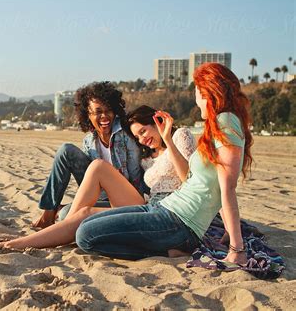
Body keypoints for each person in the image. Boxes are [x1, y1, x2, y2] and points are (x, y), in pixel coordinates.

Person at [75, 63, 253, 265]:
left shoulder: (226, 121)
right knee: (86, 223)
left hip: (180, 222)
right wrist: (229, 231)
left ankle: (170, 252)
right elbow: (212, 183)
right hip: (164, 207)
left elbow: (227, 187)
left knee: (85, 235)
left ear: (207, 93)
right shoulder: (218, 125)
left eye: (196, 92)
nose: (196, 101)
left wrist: (237, 248)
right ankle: (168, 249)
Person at [1, 106, 196, 250]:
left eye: (143, 131)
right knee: (76, 211)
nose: (142, 139)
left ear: (158, 122)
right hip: (146, 202)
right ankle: (51, 229)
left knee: (96, 171)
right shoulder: (146, 156)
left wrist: (168, 139)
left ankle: (25, 242)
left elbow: (189, 178)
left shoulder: (180, 136)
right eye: (137, 137)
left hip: (168, 208)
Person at [32, 82, 147, 229]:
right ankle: (49, 213)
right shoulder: (89, 140)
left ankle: (64, 213)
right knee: (66, 151)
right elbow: (89, 181)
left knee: (66, 215)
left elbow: (135, 178)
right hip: (100, 196)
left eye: (108, 110)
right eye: (98, 112)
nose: (104, 116)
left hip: (125, 199)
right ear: (88, 113)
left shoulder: (126, 134)